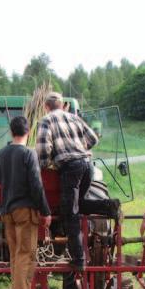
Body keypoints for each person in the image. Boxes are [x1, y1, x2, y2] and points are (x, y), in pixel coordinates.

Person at [36, 92, 120, 272]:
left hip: (70, 169)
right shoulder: (73, 118)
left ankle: (79, 260)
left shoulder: (46, 120)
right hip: (87, 166)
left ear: (46, 106)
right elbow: (93, 138)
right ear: (62, 105)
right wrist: (78, 148)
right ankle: (110, 206)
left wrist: (45, 165)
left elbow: (43, 149)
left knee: (70, 214)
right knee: (78, 205)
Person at [0, 116, 51, 289]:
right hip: (25, 210)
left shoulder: (0, 154)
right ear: (28, 132)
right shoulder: (29, 154)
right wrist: (45, 211)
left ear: (11, 132)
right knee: (26, 253)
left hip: (7, 211)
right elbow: (36, 184)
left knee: (16, 255)